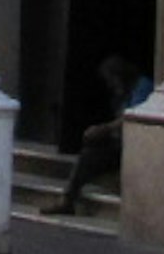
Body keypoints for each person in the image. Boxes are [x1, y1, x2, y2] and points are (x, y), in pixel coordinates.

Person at [63, 51, 153, 203]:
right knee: (88, 153)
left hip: (138, 143)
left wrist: (105, 129)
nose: (111, 84)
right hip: (121, 141)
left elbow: (133, 116)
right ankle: (69, 197)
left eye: (112, 79)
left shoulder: (142, 86)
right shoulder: (121, 93)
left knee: (94, 153)